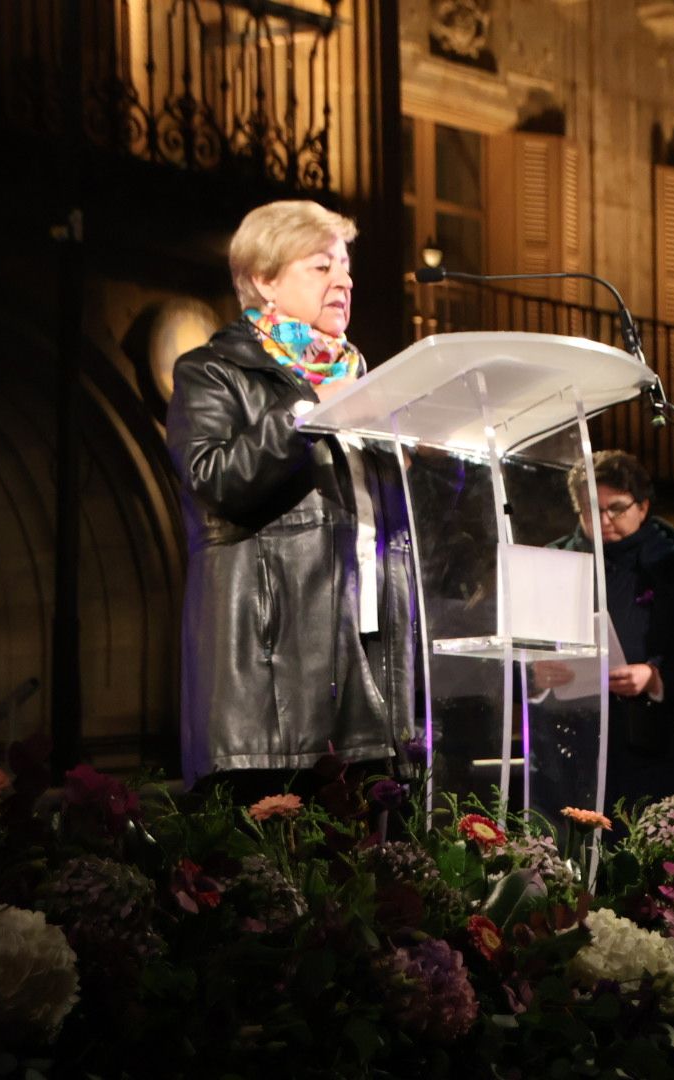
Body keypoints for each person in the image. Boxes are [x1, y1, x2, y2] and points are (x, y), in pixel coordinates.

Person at [166, 199, 414, 796]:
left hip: (371, 675)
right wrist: (307, 412)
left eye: (346, 267)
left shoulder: (362, 381)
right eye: (321, 266)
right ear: (263, 281)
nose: (344, 280)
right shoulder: (214, 372)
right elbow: (218, 480)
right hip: (270, 684)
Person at [537, 451, 674, 814]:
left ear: (643, 507)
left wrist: (656, 677)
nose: (603, 520)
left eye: (616, 508)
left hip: (664, 754)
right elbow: (517, 652)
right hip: (577, 755)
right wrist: (535, 674)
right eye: (590, 510)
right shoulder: (553, 566)